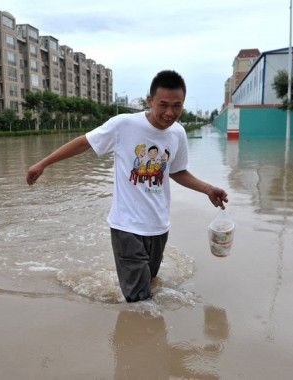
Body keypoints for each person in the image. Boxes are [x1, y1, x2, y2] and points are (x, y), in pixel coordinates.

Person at [26, 70, 228, 302]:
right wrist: (44, 163)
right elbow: (85, 143)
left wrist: (207, 189)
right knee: (140, 300)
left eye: (177, 106)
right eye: (163, 105)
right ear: (150, 100)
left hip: (159, 226)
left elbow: (177, 171)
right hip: (127, 227)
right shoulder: (124, 124)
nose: (170, 113)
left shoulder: (178, 133)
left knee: (150, 282)